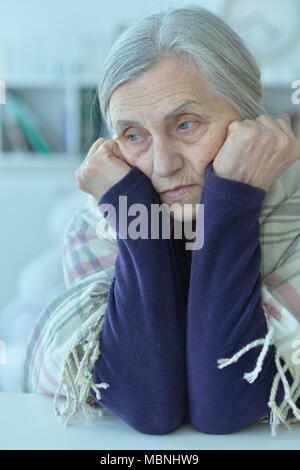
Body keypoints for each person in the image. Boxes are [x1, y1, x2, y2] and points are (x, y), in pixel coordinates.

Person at [22, 5, 300, 436]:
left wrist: (230, 206)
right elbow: (146, 402)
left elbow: (227, 403)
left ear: (250, 121)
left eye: (186, 124)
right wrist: (144, 231)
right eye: (133, 135)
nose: (163, 164)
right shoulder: (98, 226)